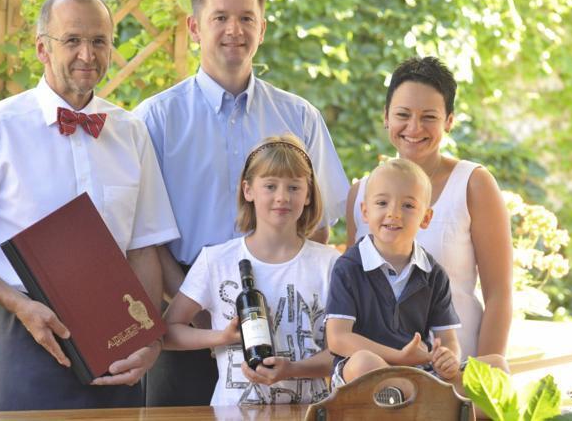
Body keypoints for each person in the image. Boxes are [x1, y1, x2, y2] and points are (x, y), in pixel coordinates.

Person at [0, 0, 175, 410]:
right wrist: (20, 305)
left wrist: (148, 340)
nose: (87, 54)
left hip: (119, 341)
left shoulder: (130, 131)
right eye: (72, 40)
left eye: (99, 41)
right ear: (42, 48)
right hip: (27, 333)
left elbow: (143, 248)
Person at [134, 0, 349, 405]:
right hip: (186, 314)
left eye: (247, 18)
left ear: (262, 29)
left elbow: (320, 223)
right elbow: (144, 232)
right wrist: (198, 305)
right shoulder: (153, 120)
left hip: (284, 331)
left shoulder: (300, 117)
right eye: (220, 18)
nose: (234, 29)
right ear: (195, 27)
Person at [346, 57, 513, 362]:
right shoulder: (361, 194)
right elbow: (351, 295)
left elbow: (499, 294)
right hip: (379, 374)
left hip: (457, 369)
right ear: (386, 117)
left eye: (429, 117)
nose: (414, 128)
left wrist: (483, 376)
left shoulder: (473, 184)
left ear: (449, 120)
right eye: (403, 115)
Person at [163, 135, 338, 405]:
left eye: (294, 187)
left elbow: (346, 350)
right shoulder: (215, 260)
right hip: (232, 413)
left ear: (308, 195)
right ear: (248, 190)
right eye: (270, 186)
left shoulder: (330, 264)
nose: (282, 197)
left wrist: (293, 369)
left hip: (310, 413)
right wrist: (221, 337)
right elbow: (167, 332)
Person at [327, 159, 508, 401]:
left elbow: (448, 341)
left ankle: (414, 403)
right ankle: (427, 404)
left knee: (496, 367)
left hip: (420, 373)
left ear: (426, 217)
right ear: (365, 212)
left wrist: (448, 359)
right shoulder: (348, 267)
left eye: (408, 205)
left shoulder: (434, 273)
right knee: (363, 362)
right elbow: (338, 339)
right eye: (382, 203)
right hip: (364, 376)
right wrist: (398, 357)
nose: (393, 213)